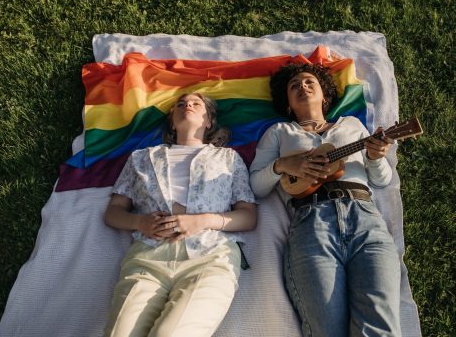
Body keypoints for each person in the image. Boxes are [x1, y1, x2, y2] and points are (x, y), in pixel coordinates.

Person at [249, 63, 401, 337]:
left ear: (324, 95)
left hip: (365, 220)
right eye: (294, 86)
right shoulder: (280, 132)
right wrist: (283, 165)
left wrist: (375, 158)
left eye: (310, 82)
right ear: (287, 103)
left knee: (380, 328)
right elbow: (256, 185)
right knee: (326, 330)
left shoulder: (351, 125)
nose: (302, 87)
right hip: (311, 224)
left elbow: (381, 180)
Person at [103, 92, 257, 337]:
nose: (188, 105)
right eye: (181, 104)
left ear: (208, 122)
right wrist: (139, 221)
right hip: (148, 259)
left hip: (210, 257)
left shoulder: (228, 158)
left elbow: (248, 216)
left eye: (196, 103)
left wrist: (203, 220)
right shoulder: (141, 158)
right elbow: (112, 212)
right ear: (172, 122)